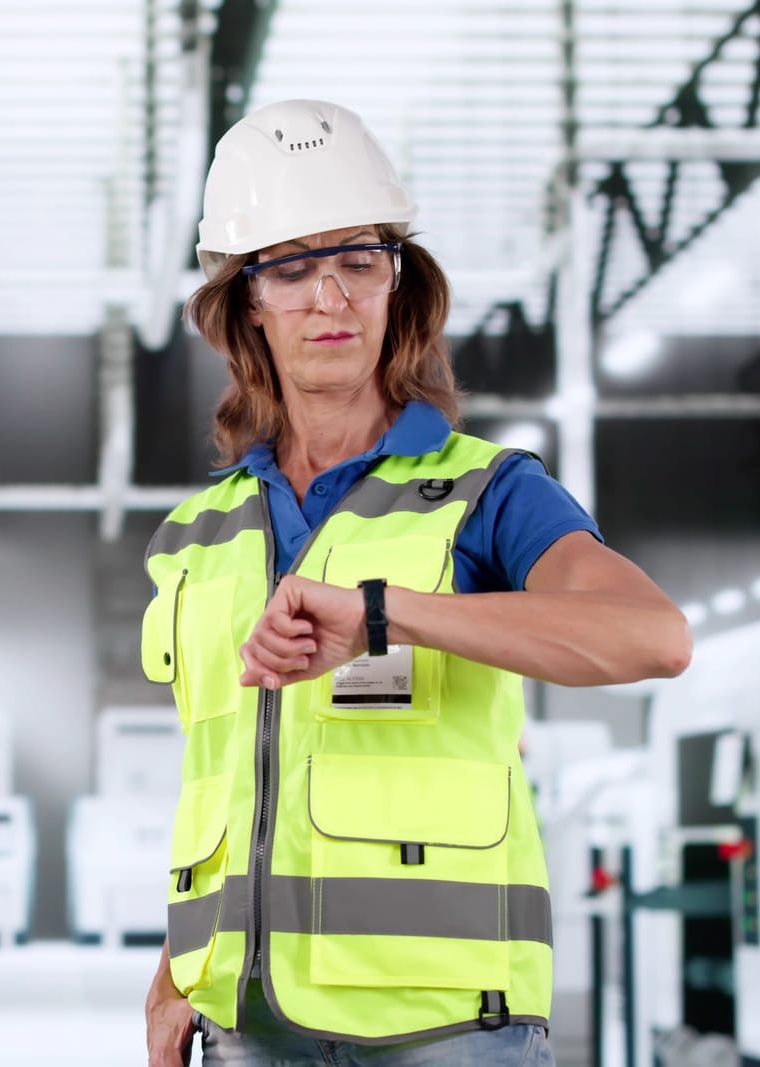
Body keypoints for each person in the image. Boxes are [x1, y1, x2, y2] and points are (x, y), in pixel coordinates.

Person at [141, 99, 690, 1067]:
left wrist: (387, 616)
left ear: (399, 284)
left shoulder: (487, 493)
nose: (331, 297)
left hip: (447, 1024)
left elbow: (651, 636)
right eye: (292, 267)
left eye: (359, 260)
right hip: (248, 1023)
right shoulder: (200, 532)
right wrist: (174, 963)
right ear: (247, 302)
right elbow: (228, 781)